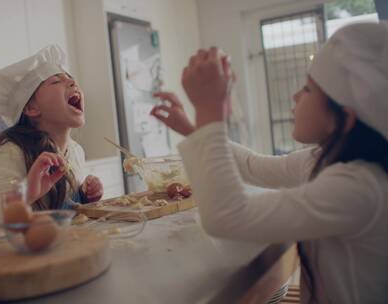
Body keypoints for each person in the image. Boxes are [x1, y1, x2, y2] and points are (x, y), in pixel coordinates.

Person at [151, 22, 388, 303]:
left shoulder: (359, 187)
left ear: (344, 118)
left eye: (307, 90)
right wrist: (195, 129)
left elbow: (227, 217)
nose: (295, 96)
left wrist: (209, 109)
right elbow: (252, 166)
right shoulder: (323, 162)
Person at [0, 45, 104, 210]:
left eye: (69, 77)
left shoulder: (76, 152)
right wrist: (26, 193)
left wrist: (85, 195)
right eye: (56, 81)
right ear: (31, 108)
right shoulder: (12, 153)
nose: (72, 81)